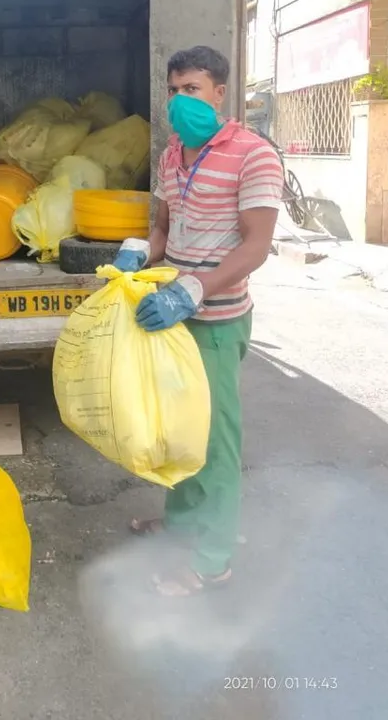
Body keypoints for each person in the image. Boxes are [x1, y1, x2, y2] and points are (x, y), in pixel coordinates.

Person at [113, 45, 284, 597]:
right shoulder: (171, 156)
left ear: (219, 94)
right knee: (180, 430)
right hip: (175, 320)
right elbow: (166, 226)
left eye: (193, 89)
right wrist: (143, 253)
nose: (181, 99)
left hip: (216, 319)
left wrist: (196, 289)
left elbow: (256, 246)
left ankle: (213, 560)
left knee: (217, 443)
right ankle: (183, 522)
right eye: (174, 89)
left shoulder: (254, 155)